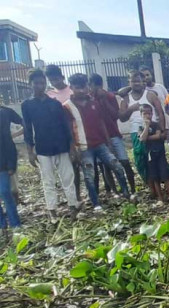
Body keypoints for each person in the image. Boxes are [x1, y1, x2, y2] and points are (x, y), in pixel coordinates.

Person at [64, 73, 132, 210]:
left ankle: (126, 193)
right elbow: (68, 129)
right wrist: (72, 149)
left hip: (100, 144)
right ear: (71, 87)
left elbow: (101, 123)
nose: (82, 90)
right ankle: (96, 203)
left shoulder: (94, 102)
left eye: (84, 87)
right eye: (78, 88)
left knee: (117, 166)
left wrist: (108, 142)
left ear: (87, 86)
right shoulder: (67, 106)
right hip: (83, 147)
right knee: (89, 176)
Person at [22, 69, 80, 222]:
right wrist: (30, 151)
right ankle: (52, 211)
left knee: (68, 178)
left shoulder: (55, 103)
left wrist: (71, 146)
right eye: (36, 83)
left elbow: (65, 126)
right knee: (48, 181)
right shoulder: (27, 105)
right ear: (31, 85)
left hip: (61, 145)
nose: (40, 86)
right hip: (42, 148)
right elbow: (27, 128)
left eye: (42, 83)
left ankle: (73, 207)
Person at [89, 73, 137, 193]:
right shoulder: (90, 100)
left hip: (113, 134)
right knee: (106, 166)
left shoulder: (109, 96)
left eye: (92, 85)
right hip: (99, 138)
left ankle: (132, 189)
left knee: (124, 162)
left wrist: (104, 100)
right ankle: (115, 191)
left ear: (96, 85)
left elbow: (116, 115)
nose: (91, 88)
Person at [118, 71, 165, 183]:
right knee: (140, 160)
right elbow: (121, 117)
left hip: (152, 130)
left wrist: (162, 130)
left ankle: (159, 182)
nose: (136, 84)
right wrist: (131, 109)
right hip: (136, 132)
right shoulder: (126, 98)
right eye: (133, 81)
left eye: (138, 81)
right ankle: (150, 184)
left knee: (156, 158)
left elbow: (160, 113)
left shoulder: (150, 95)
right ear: (129, 82)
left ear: (143, 81)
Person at [45, 64, 81, 201]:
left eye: (56, 79)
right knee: (68, 168)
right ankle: (73, 196)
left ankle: (79, 194)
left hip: (78, 133)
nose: (55, 82)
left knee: (81, 165)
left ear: (62, 77)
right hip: (62, 136)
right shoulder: (49, 95)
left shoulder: (72, 91)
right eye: (52, 80)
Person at [138, 104, 169, 205]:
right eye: (144, 113)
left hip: (160, 154)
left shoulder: (156, 125)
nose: (147, 115)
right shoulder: (141, 127)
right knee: (155, 177)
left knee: (166, 175)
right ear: (141, 114)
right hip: (150, 156)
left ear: (152, 113)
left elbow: (158, 135)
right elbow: (142, 138)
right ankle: (160, 199)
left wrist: (147, 137)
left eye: (149, 113)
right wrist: (146, 127)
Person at [0, 101, 23, 232]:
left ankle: (15, 224)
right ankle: (2, 225)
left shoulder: (3, 113)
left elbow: (7, 141)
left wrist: (11, 164)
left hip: (3, 163)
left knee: (5, 192)